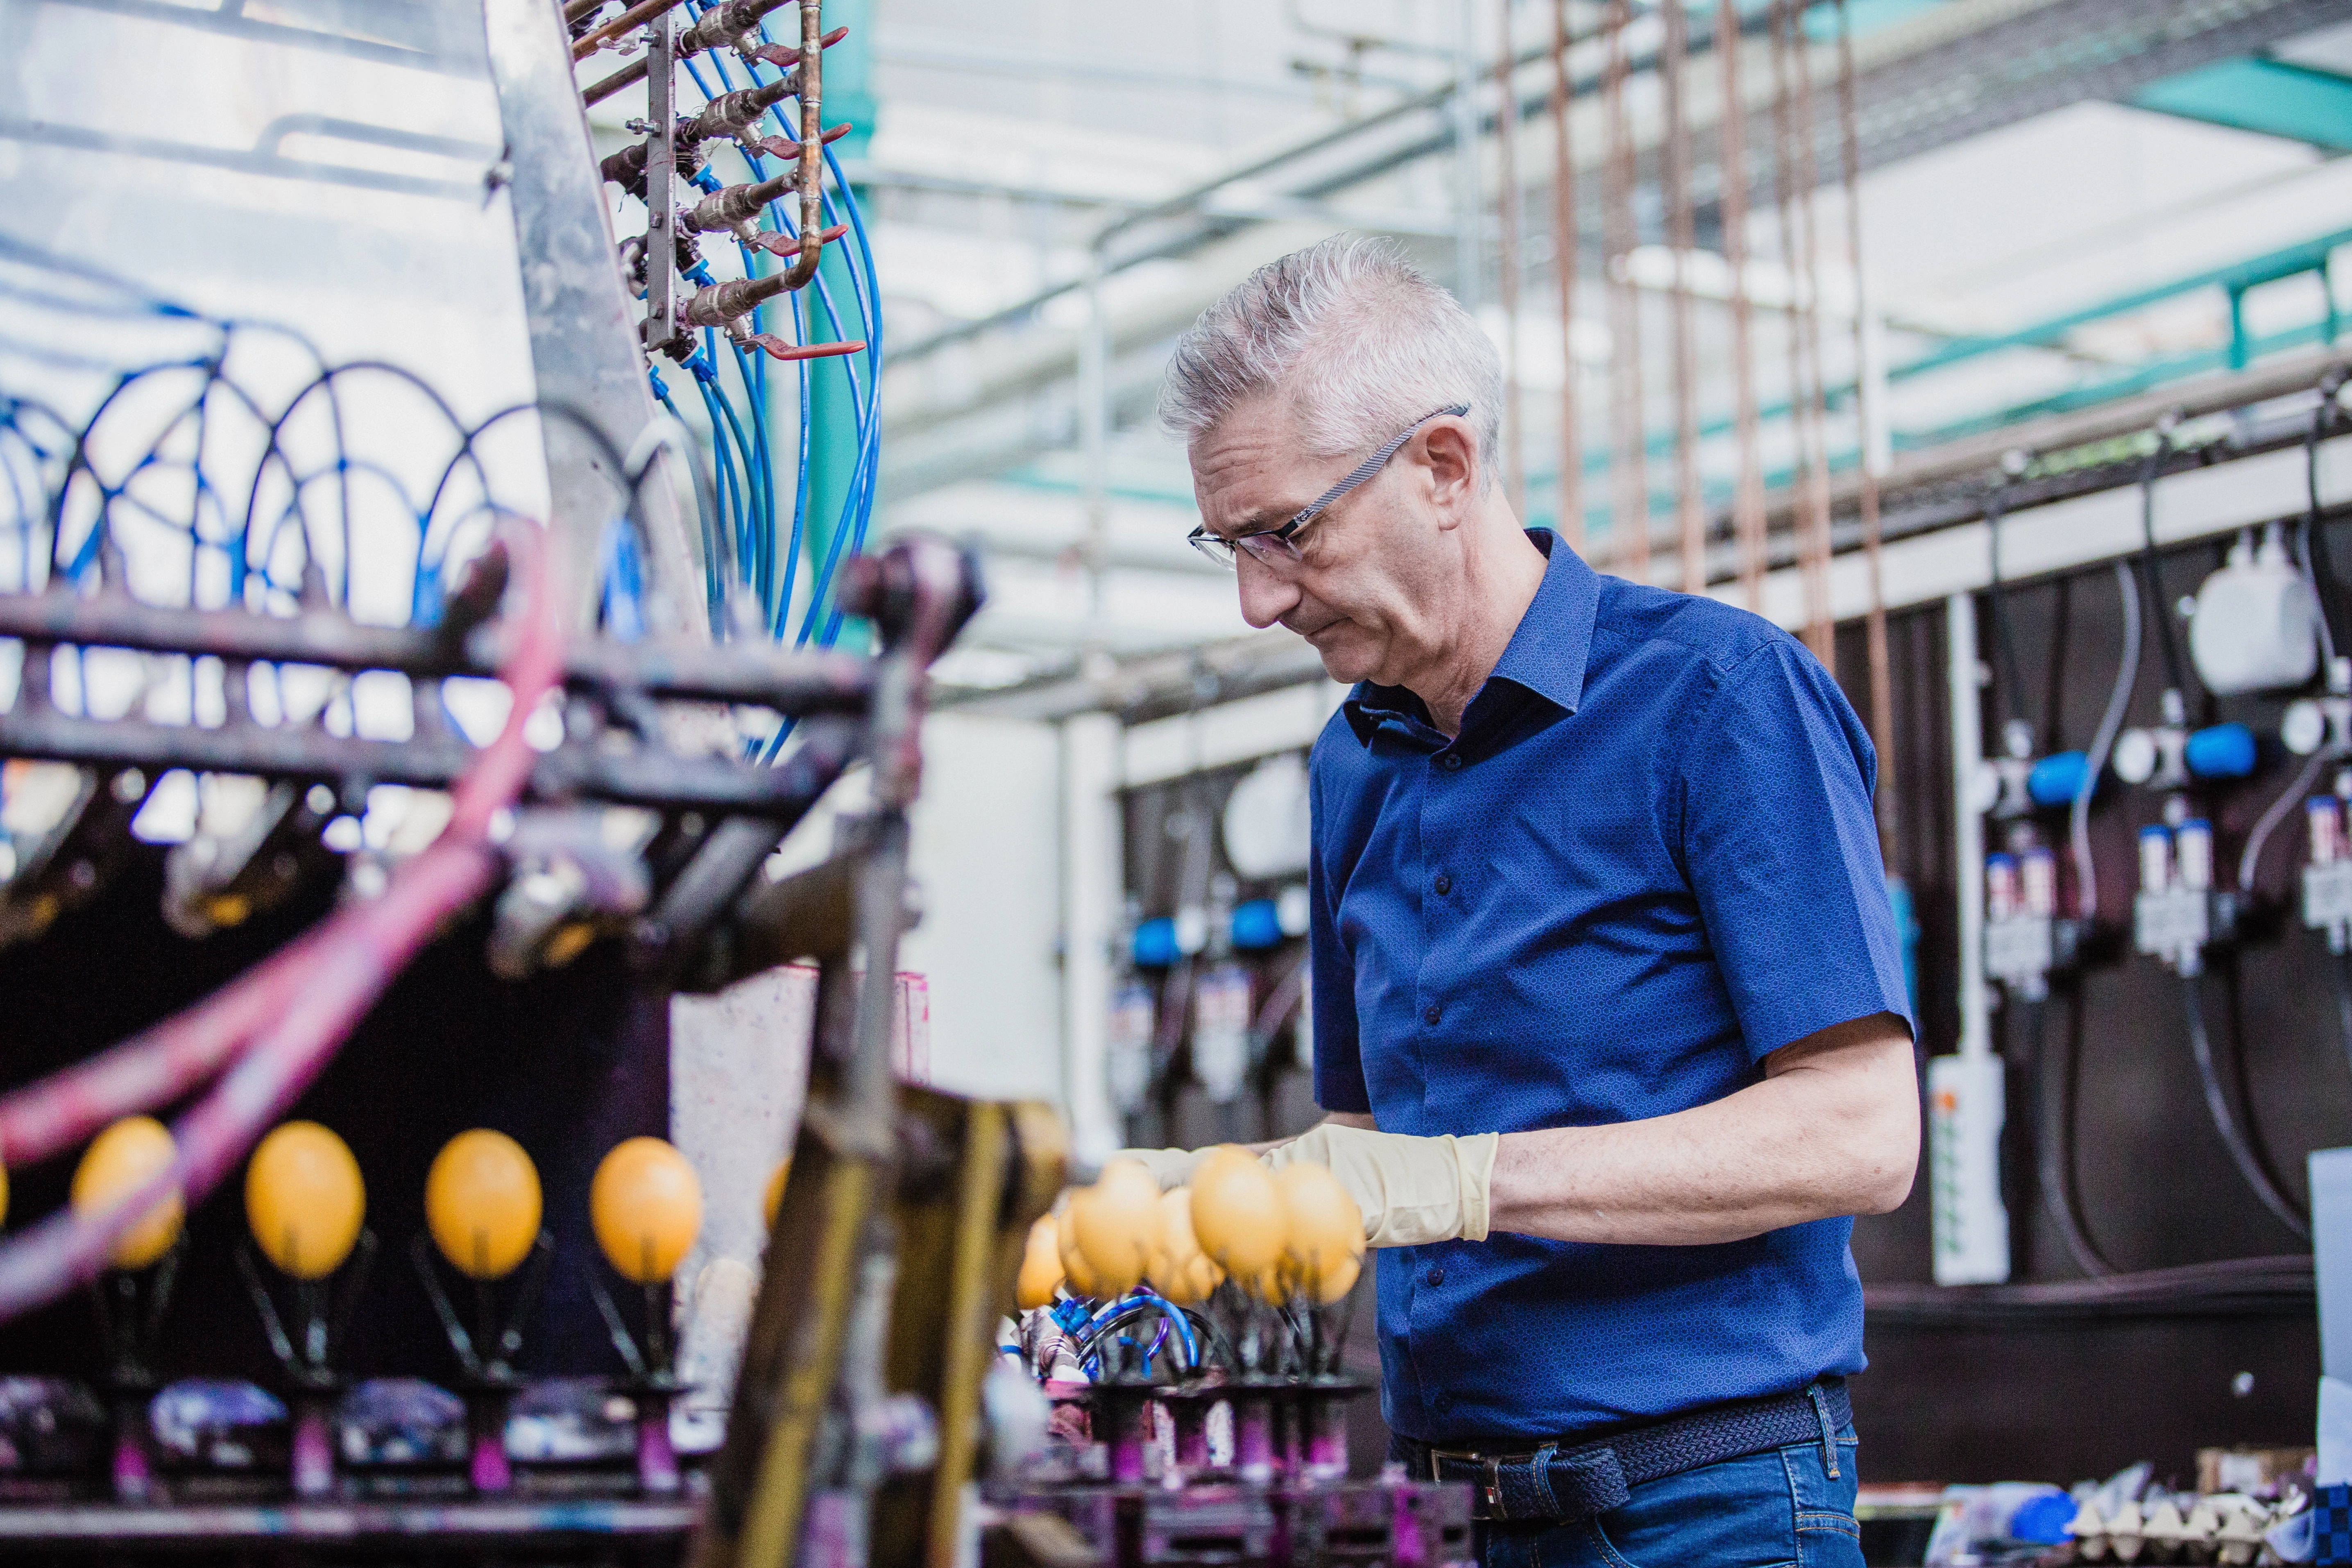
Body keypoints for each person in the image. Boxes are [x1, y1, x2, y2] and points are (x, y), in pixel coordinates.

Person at [1128, 235, 1920, 1568]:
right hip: (1441, 1507)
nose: (1257, 599)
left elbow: (1859, 1130)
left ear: (1442, 467)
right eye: (1229, 543)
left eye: (1287, 533)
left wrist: (1466, 1181)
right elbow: (1363, 1147)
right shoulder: (1350, 764)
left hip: (1700, 1502)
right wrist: (1210, 1207)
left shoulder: (1716, 697)